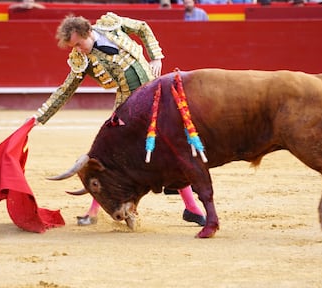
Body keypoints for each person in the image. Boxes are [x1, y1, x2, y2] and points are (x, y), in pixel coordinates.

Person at [31, 13, 206, 227]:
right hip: (128, 107)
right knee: (109, 159)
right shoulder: (81, 59)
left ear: (87, 32)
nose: (77, 49)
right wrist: (40, 116)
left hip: (156, 94)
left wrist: (156, 56)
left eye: (78, 44)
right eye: (73, 47)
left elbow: (142, 26)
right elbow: (66, 89)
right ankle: (94, 211)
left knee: (172, 147)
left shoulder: (111, 25)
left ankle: (190, 207)